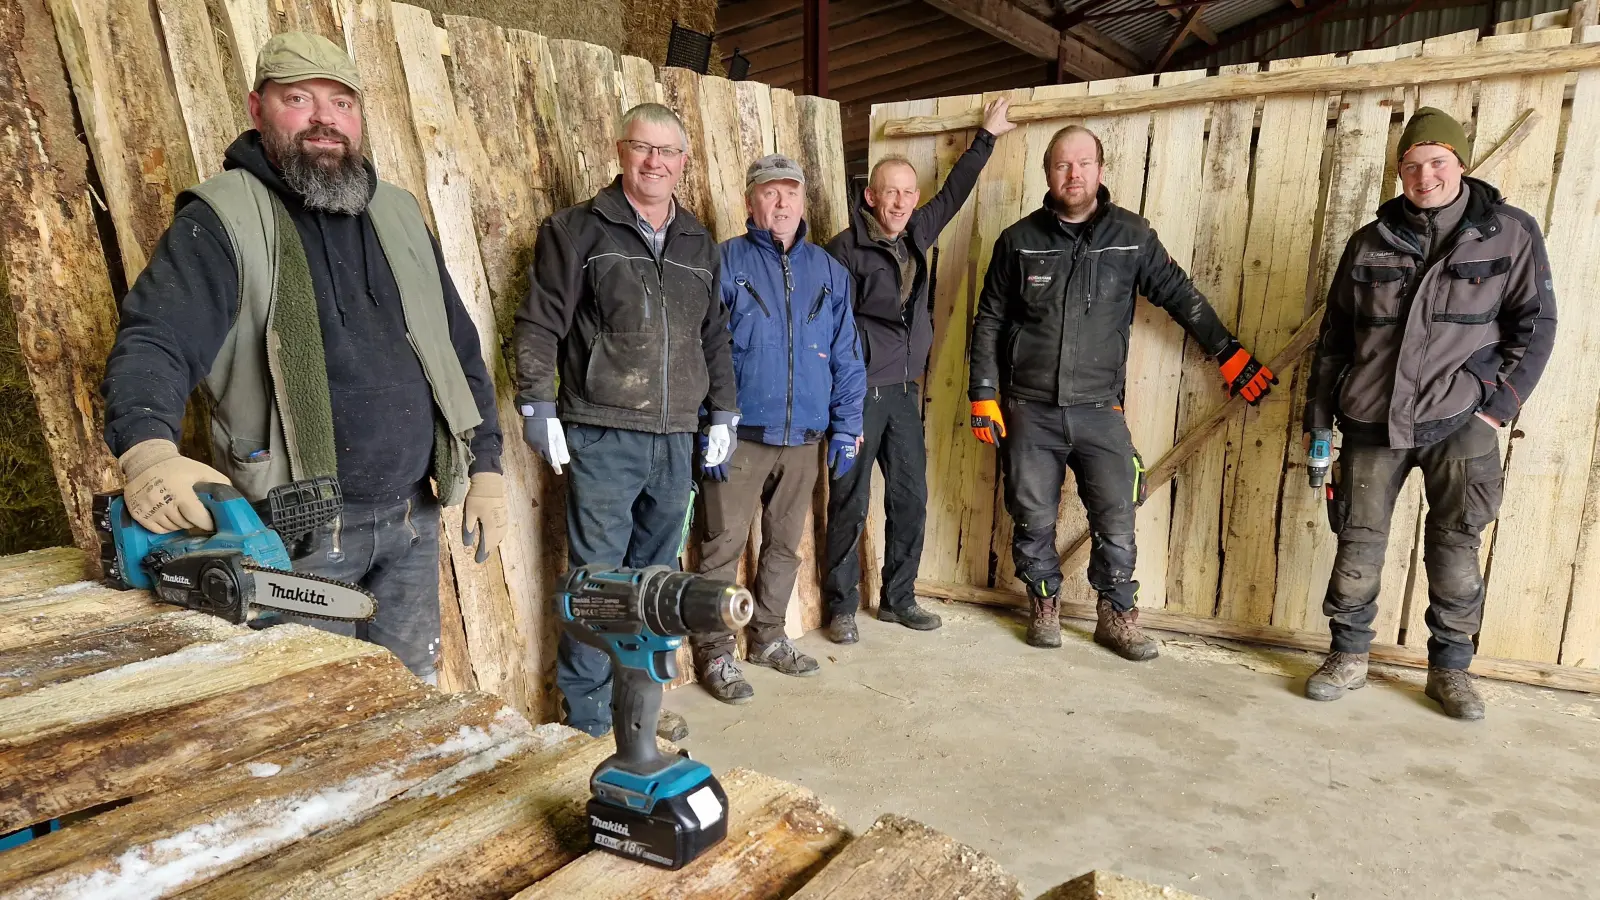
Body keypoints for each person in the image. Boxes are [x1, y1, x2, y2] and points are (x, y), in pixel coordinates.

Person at [100, 32, 508, 682]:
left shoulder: (399, 214)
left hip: (411, 515)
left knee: (412, 698)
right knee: (315, 718)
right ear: (258, 109)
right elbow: (156, 339)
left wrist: (485, 462)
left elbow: (455, 347)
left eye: (342, 103)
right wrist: (149, 450)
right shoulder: (220, 221)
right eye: (300, 99)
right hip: (297, 534)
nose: (325, 118)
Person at [968, 124, 1276, 659]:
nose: (1074, 173)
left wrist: (1227, 351)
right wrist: (983, 392)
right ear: (1048, 173)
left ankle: (1117, 615)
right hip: (1028, 408)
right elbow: (990, 319)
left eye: (1084, 163)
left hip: (1099, 409)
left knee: (1116, 514)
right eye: (1063, 164)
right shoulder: (1018, 241)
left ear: (1101, 170)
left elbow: (1178, 294)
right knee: (1032, 513)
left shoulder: (1131, 236)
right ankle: (1044, 604)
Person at [1301, 107, 1556, 721]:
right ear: (1399, 173)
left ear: (1461, 164)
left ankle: (1451, 670)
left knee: (1456, 545)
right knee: (1357, 545)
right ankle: (1349, 656)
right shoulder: (1368, 241)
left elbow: (1536, 325)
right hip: (1371, 419)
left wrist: (1496, 410)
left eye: (1437, 162)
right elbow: (1336, 338)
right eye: (1411, 165)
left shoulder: (1510, 233)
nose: (1425, 176)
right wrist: (1317, 425)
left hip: (1460, 420)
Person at [515, 103, 739, 736]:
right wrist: (538, 405)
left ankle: (635, 712)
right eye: (644, 149)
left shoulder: (698, 241)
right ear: (621, 151)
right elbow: (539, 323)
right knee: (598, 583)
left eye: (668, 153)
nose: (654, 163)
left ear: (683, 164)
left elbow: (713, 336)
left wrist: (722, 410)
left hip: (675, 438)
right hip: (604, 431)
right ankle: (586, 719)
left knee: (655, 582)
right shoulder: (577, 230)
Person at [820, 97, 1016, 644]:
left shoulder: (916, 234)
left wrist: (987, 137)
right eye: (892, 192)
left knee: (909, 498)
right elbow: (829, 328)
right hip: (858, 395)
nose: (903, 201)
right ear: (870, 197)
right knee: (849, 503)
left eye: (909, 192)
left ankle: (898, 599)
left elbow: (954, 194)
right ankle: (840, 608)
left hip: (905, 393)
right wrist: (844, 387)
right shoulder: (843, 251)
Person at [690, 154, 866, 704]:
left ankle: (767, 636)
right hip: (741, 436)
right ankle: (715, 652)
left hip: (804, 439)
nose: (782, 202)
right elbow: (701, 349)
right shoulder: (725, 263)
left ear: (802, 201)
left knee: (785, 545)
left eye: (791, 192)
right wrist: (708, 423)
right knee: (721, 547)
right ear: (750, 202)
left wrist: (846, 425)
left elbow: (846, 353)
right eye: (770, 192)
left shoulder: (828, 271)